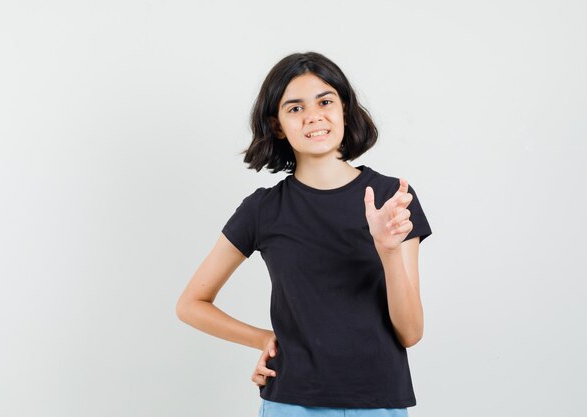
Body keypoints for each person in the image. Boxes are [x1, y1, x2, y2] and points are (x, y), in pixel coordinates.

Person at [176, 51, 432, 417]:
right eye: (295, 108)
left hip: (379, 402)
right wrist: (264, 339)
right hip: (291, 403)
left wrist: (387, 250)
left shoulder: (392, 199)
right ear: (278, 124)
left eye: (325, 101)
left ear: (344, 108)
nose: (313, 115)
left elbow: (410, 333)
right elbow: (191, 305)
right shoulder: (263, 209)